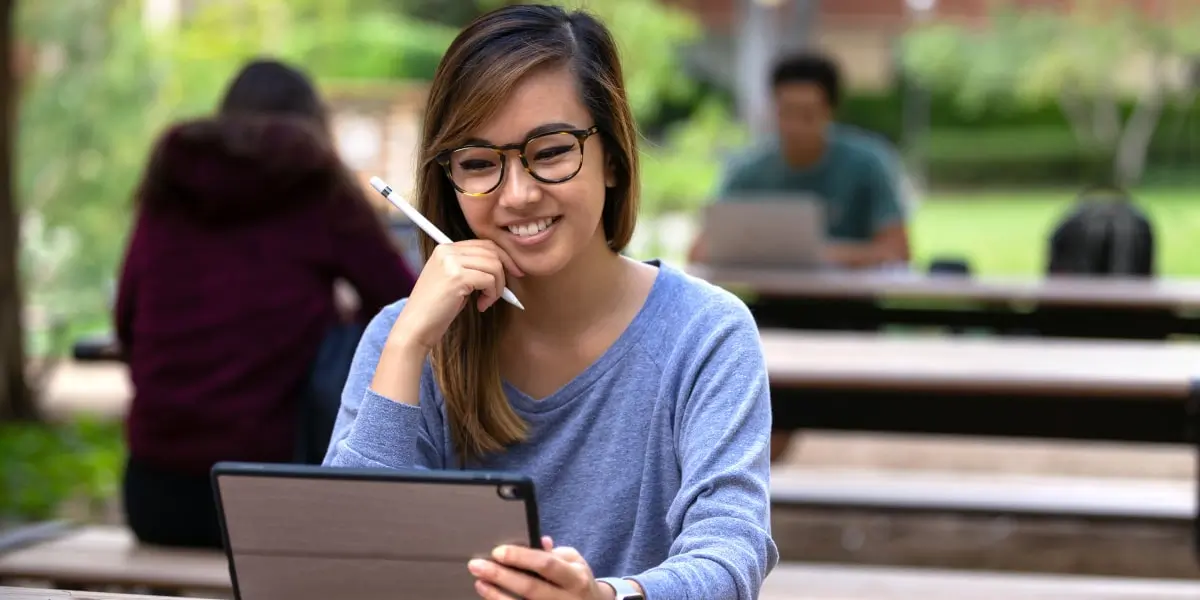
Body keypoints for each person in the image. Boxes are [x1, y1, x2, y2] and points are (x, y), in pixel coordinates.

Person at [323, 5, 778, 600]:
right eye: (480, 163)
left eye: (552, 151)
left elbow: (732, 550)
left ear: (612, 157)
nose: (517, 194)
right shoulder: (405, 337)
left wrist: (605, 598)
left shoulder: (706, 334)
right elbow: (339, 558)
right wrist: (408, 345)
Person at [116, 59, 417, 548]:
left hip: (155, 493)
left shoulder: (170, 187)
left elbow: (127, 320)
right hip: (271, 494)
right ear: (311, 120)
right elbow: (406, 306)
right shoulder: (320, 184)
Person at [688, 51, 912, 270]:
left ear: (830, 111)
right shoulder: (748, 168)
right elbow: (698, 252)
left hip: (851, 301)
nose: (795, 126)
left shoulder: (868, 163)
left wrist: (826, 254)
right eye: (786, 112)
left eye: (807, 115)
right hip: (765, 302)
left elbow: (898, 251)